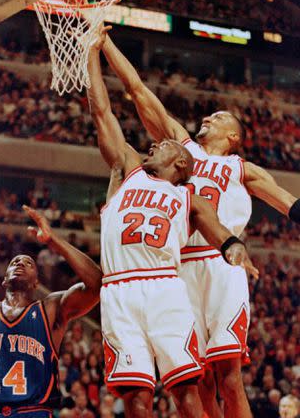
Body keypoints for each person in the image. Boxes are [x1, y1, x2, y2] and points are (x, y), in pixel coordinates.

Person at [100, 32, 300, 418]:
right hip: (174, 270)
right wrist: (105, 41)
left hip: (221, 261)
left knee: (229, 376)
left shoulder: (243, 168)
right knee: (195, 380)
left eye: (220, 117)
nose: (209, 116)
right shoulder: (181, 146)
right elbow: (138, 90)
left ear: (234, 136)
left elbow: (289, 204)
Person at [0, 206, 102, 418]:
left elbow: (97, 285)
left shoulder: (50, 309)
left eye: (29, 263)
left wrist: (54, 242)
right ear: (4, 278)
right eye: (15, 262)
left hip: (32, 412)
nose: (20, 263)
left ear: (37, 282)